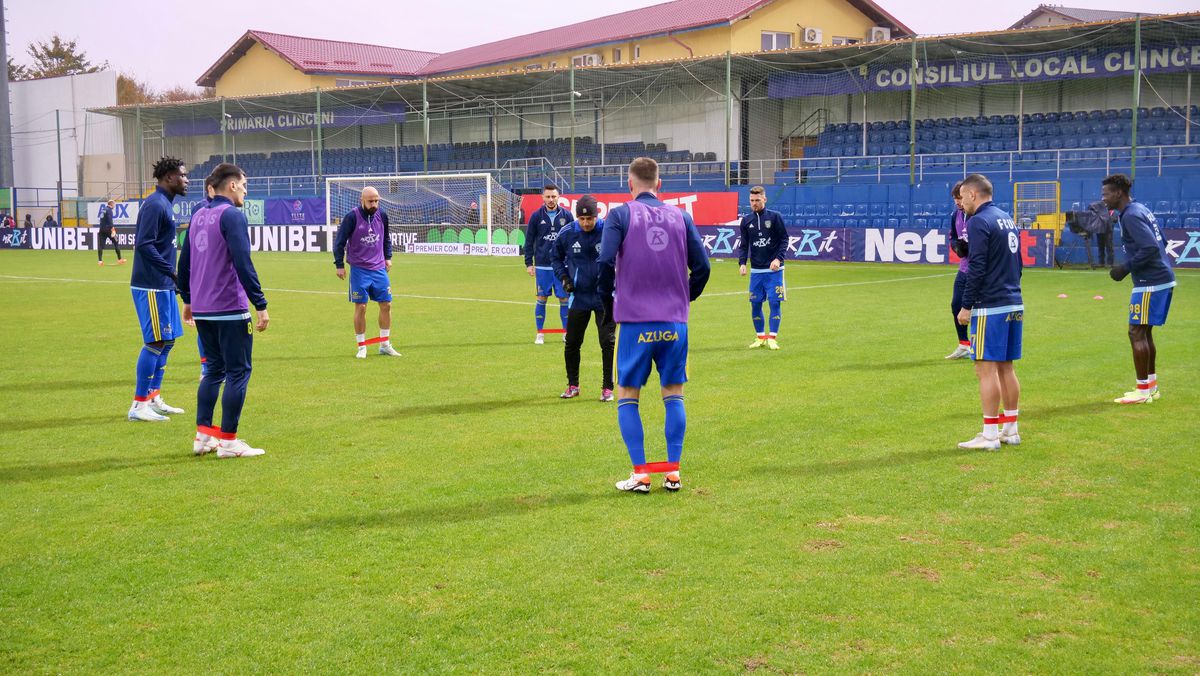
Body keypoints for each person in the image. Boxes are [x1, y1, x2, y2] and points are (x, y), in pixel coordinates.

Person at [598, 157, 710, 493]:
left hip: (635, 321)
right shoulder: (681, 216)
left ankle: (641, 474)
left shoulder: (619, 215)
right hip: (675, 322)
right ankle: (673, 472)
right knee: (674, 393)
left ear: (629, 184)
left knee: (628, 395)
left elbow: (604, 261)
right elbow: (703, 267)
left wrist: (609, 303)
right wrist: (682, 298)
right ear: (659, 184)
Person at [177, 163, 270, 458]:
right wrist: (261, 303)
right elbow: (243, 262)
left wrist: (188, 300)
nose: (245, 189)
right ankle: (228, 441)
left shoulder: (198, 215)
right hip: (229, 307)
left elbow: (184, 262)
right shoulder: (232, 216)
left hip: (203, 309)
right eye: (243, 184)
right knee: (238, 372)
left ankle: (203, 436)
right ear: (231, 185)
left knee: (213, 371)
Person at [955, 174, 1022, 451]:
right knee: (1006, 367)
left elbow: (976, 266)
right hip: (1013, 300)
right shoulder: (1006, 218)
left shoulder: (979, 221)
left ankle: (990, 434)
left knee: (985, 369)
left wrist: (967, 305)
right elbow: (1018, 262)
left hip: (990, 305)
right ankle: (1011, 429)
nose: (961, 203)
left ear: (972, 194)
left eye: (962, 196)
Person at [1101, 174, 1176, 404]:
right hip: (1159, 278)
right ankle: (1150, 387)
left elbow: (1151, 248)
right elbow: (1162, 241)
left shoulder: (1131, 216)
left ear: (1118, 193)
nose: (1103, 199)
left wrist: (1125, 268)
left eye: (1106, 194)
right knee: (1144, 332)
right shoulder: (1140, 209)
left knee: (1135, 332)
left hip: (1150, 282)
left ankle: (1142, 392)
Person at [127, 157, 189, 422]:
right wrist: (172, 271)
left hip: (163, 285)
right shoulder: (155, 204)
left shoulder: (165, 204)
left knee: (169, 339)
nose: (186, 179)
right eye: (182, 175)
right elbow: (144, 244)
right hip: (151, 284)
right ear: (169, 178)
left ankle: (153, 397)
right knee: (155, 341)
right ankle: (138, 405)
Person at [550, 195, 614, 401]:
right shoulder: (567, 233)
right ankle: (573, 385)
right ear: (577, 217)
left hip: (605, 297)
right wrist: (564, 277)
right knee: (572, 343)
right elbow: (555, 257)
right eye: (582, 219)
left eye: (590, 219)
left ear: (597, 216)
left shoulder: (609, 231)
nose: (586, 223)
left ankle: (608, 388)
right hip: (578, 298)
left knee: (607, 343)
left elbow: (626, 254)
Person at [334, 186, 401, 359]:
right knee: (361, 307)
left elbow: (386, 237)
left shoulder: (382, 215)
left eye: (376, 200)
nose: (374, 204)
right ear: (362, 200)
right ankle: (362, 346)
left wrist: (388, 257)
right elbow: (339, 241)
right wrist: (339, 264)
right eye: (371, 201)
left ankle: (384, 344)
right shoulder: (352, 217)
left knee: (386, 305)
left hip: (379, 268)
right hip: (359, 270)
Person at [738, 185, 789, 350]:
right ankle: (760, 337)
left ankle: (772, 338)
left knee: (775, 303)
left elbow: (784, 240)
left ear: (764, 199)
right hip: (756, 271)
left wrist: (778, 259)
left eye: (757, 200)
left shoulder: (775, 217)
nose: (754, 203)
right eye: (752, 200)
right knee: (755, 304)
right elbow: (744, 245)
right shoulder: (746, 221)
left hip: (774, 271)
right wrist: (742, 263)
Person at [523, 184, 572, 344]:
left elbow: (573, 240)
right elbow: (529, 241)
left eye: (554, 196)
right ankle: (540, 333)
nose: (551, 199)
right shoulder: (536, 216)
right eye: (548, 197)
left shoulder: (567, 215)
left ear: (559, 197)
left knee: (564, 299)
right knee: (541, 298)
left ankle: (566, 333)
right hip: (542, 266)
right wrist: (529, 263)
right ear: (543, 197)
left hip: (562, 267)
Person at [945, 181, 972, 359]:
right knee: (956, 305)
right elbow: (953, 236)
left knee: (977, 308)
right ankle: (964, 344)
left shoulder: (979, 215)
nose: (958, 203)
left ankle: (980, 345)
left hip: (979, 269)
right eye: (955, 200)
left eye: (960, 199)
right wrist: (956, 246)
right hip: (964, 268)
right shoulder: (956, 215)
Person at [97, 199, 126, 266]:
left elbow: (101, 219)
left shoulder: (103, 209)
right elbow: (110, 220)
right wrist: (112, 228)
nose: (114, 206)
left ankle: (100, 261)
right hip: (108, 229)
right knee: (116, 242)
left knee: (100, 245)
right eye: (114, 205)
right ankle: (119, 259)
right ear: (111, 204)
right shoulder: (109, 210)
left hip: (101, 229)